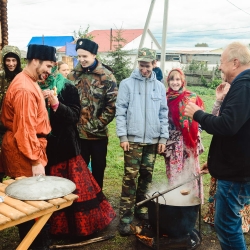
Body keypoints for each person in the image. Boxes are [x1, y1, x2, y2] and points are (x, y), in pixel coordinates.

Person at [184, 41, 250, 250]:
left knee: (226, 225)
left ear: (235, 62)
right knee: (230, 223)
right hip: (235, 168)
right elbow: (234, 129)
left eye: (221, 62)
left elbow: (227, 125)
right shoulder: (242, 85)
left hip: (237, 174)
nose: (219, 67)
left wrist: (197, 114)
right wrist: (215, 164)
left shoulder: (244, 84)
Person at [39, 72, 116, 242]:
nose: (45, 71)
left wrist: (55, 103)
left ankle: (81, 228)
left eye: (49, 66)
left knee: (74, 190)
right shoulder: (32, 86)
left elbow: (74, 116)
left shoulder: (66, 87)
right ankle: (51, 229)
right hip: (43, 152)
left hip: (66, 150)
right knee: (49, 192)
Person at [1, 44, 56, 250]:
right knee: (30, 205)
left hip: (28, 147)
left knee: (29, 203)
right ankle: (34, 245)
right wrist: (35, 160)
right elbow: (24, 130)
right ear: (35, 61)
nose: (49, 72)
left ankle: (36, 243)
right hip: (24, 151)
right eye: (48, 66)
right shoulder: (24, 88)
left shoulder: (29, 81)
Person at [115, 47, 169, 236]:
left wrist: (163, 138)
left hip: (153, 141)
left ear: (154, 64)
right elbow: (120, 111)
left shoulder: (160, 87)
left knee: (146, 177)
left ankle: (142, 209)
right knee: (130, 179)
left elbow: (163, 113)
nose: (143, 69)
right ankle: (125, 217)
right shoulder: (126, 84)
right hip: (133, 140)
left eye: (147, 66)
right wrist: (123, 136)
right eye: (141, 65)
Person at [67, 38, 117, 189]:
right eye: (79, 56)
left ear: (94, 55)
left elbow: (112, 106)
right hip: (78, 135)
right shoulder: (73, 76)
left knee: (98, 170)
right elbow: (68, 101)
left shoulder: (106, 76)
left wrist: (97, 124)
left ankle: (98, 201)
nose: (81, 60)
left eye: (85, 56)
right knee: (79, 171)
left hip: (98, 136)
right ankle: (82, 201)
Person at [163, 68, 204, 200]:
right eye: (172, 79)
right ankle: (176, 199)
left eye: (177, 79)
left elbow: (201, 115)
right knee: (175, 170)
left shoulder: (192, 97)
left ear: (182, 81)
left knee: (190, 168)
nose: (175, 82)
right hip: (174, 141)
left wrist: (197, 132)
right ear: (168, 81)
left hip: (191, 140)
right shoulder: (165, 98)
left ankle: (192, 198)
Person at [0, 45, 22, 179]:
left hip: (17, 124)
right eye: (8, 60)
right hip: (1, 125)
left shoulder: (22, 77)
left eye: (14, 60)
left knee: (16, 158)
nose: (11, 64)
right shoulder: (0, 77)